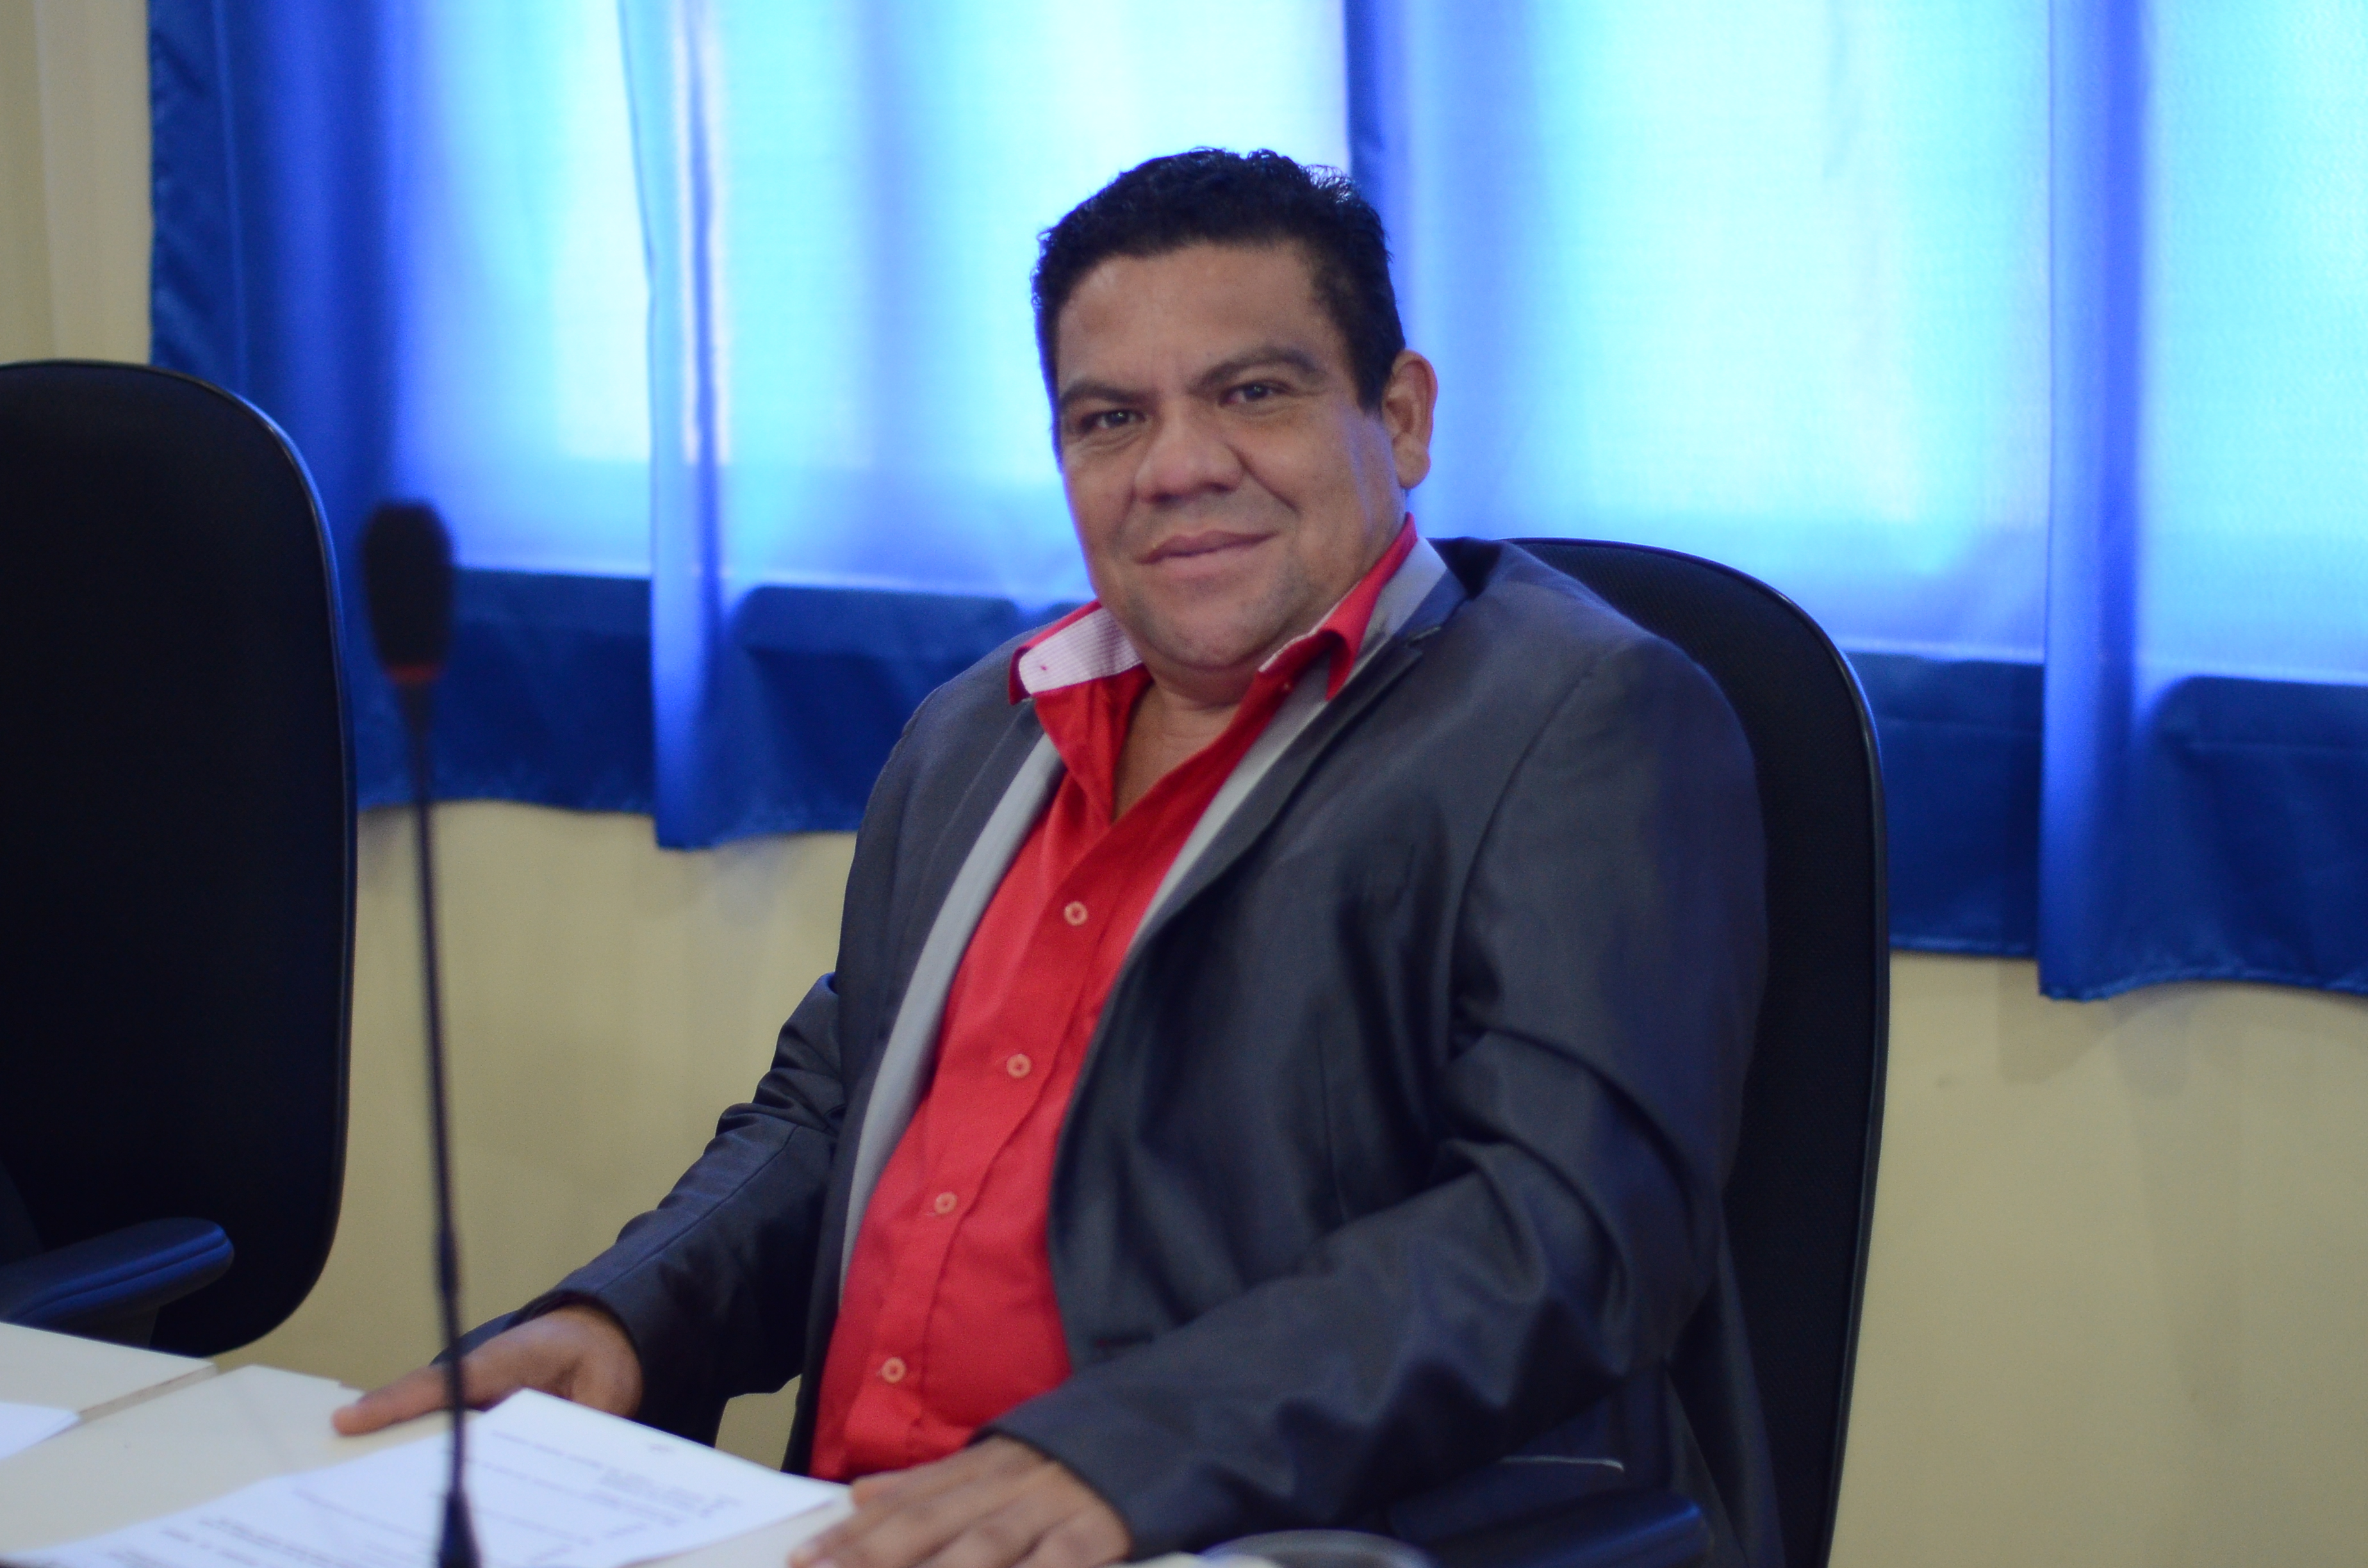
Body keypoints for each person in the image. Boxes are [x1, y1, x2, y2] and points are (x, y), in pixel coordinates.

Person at [339, 149, 1774, 1568]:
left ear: (1399, 417)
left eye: (1254, 393)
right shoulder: (980, 729)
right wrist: (625, 1317)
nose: (1177, 468)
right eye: (1110, 419)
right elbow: (828, 1117)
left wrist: (1122, 1456)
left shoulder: (1585, 720)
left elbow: (1566, 1230)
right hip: (860, 1532)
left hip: (1243, 1533)